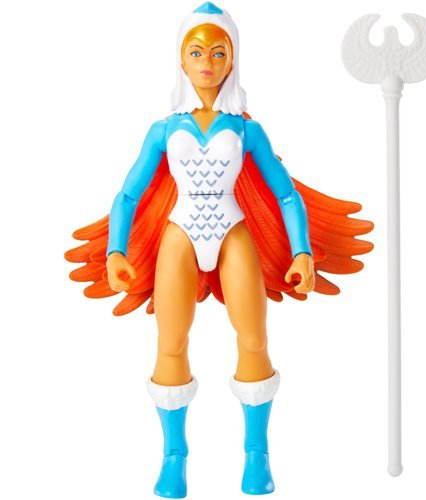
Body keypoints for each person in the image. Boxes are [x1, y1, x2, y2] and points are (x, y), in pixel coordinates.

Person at [65, 2, 373, 498]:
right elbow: (128, 194)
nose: (206, 62)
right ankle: (174, 456)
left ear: (232, 59)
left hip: (232, 232)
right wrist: (115, 250)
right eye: (196, 51)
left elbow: (285, 193)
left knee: (253, 340)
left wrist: (301, 251)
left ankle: (257, 452)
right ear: (181, 60)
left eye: (217, 52)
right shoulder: (164, 129)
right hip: (180, 234)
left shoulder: (247, 129)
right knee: (170, 343)